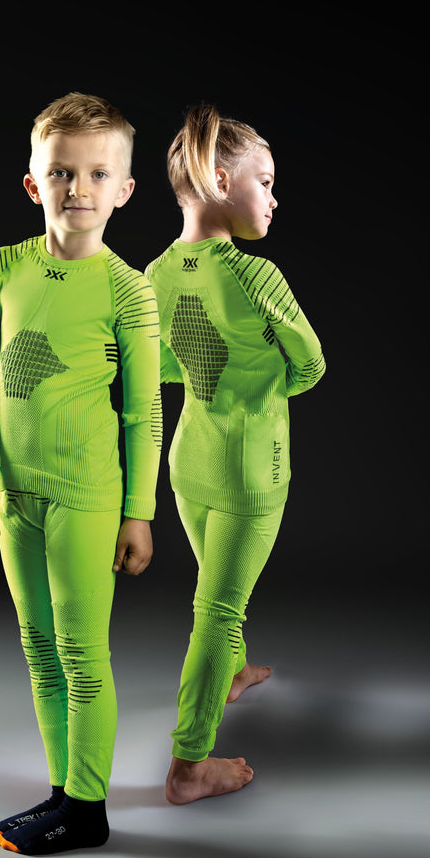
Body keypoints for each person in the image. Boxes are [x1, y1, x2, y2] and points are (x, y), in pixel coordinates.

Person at [0, 92, 161, 854]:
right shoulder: (1, 269)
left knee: (82, 653)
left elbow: (143, 411)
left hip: (87, 496)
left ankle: (88, 808)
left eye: (98, 173)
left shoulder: (127, 288)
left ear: (124, 189)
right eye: (62, 172)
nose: (79, 188)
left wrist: (138, 511)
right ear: (33, 182)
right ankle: (62, 791)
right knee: (39, 648)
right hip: (17, 495)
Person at [145, 103, 325, 805]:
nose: (274, 199)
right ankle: (189, 766)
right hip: (251, 469)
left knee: (219, 589)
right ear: (221, 181)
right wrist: (263, 387)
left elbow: (161, 365)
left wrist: (212, 376)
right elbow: (312, 364)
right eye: (266, 183)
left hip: (190, 463)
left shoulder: (157, 272)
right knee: (217, 607)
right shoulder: (257, 277)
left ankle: (235, 671)